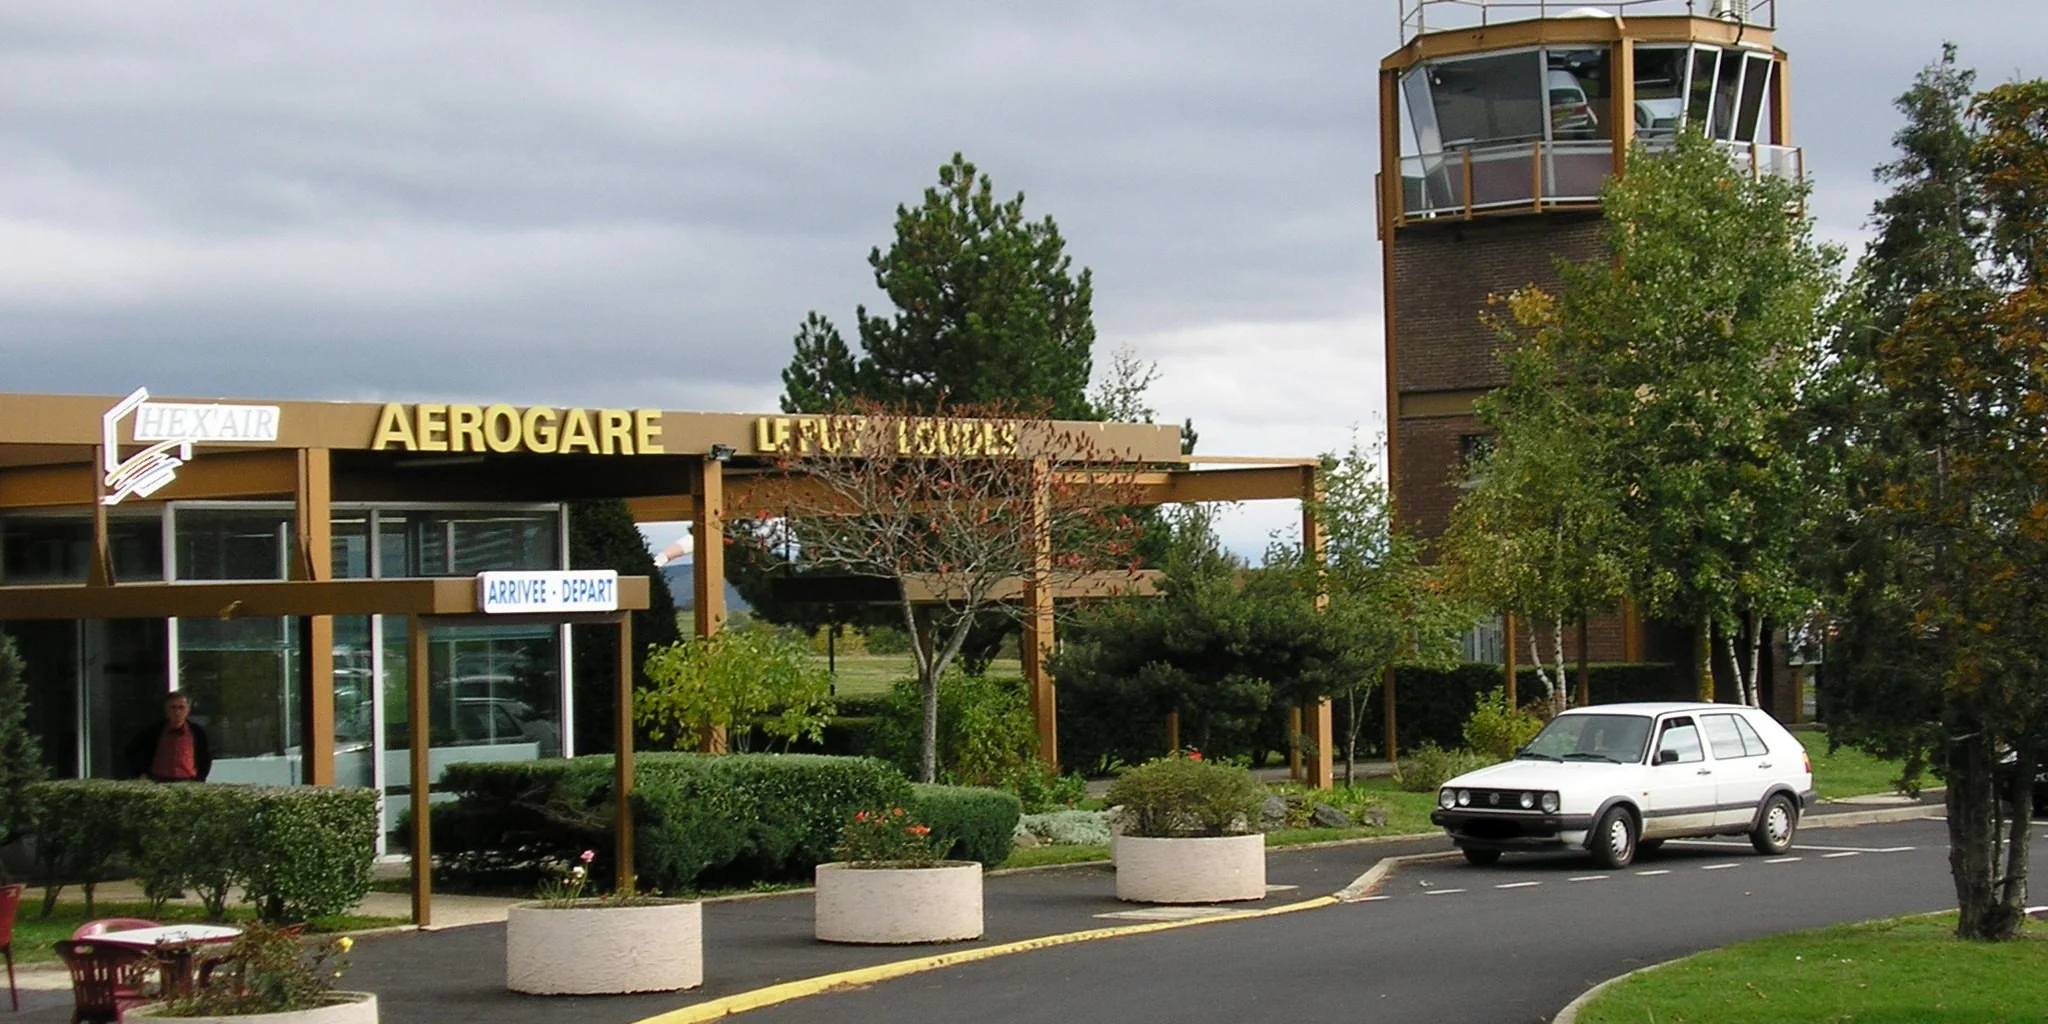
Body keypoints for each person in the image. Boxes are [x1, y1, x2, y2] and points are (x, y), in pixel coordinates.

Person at [125, 690, 212, 783]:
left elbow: (205, 757)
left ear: (188, 710)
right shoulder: (154, 730)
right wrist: (141, 773)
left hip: (188, 781)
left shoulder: (197, 732)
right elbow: (132, 750)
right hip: (158, 781)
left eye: (181, 707)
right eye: (173, 707)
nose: (177, 711)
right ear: (166, 710)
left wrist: (200, 778)